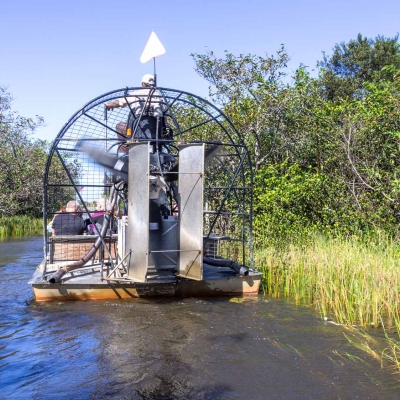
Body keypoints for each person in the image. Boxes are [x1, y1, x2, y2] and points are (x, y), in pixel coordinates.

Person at [105, 74, 168, 141]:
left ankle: (126, 148)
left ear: (143, 84)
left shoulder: (136, 94)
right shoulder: (161, 98)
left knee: (120, 126)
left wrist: (110, 105)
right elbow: (165, 118)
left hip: (136, 134)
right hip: (157, 135)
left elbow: (120, 102)